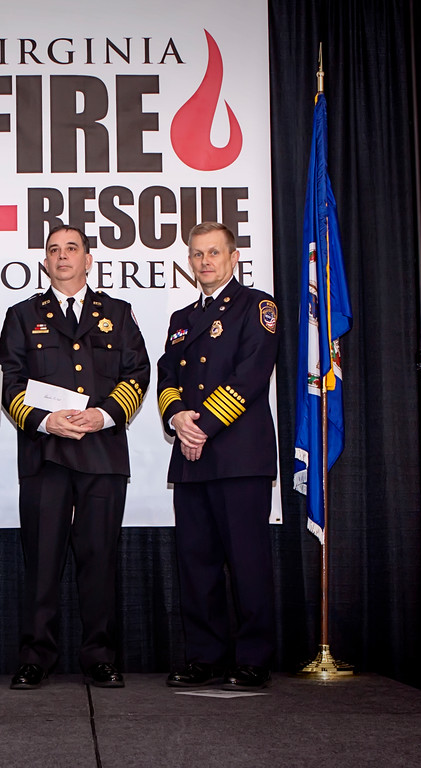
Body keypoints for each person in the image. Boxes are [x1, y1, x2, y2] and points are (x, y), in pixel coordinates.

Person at [0, 224, 150, 689]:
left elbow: (137, 373)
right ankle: (35, 657)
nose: (62, 257)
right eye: (53, 250)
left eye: (72, 249)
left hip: (102, 453)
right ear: (44, 262)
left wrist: (104, 416)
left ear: (88, 259)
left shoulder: (118, 314)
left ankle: (99, 655)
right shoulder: (22, 315)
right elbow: (8, 380)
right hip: (46, 453)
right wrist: (44, 420)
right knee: (41, 562)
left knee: (99, 560)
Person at [157, 221, 279, 690]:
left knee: (247, 561)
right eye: (196, 254)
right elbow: (168, 376)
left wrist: (201, 424)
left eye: (213, 253)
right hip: (192, 456)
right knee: (197, 563)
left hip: (239, 456)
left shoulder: (257, 307)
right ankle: (205, 657)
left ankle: (252, 658)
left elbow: (250, 376)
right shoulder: (181, 318)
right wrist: (177, 419)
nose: (205, 261)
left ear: (233, 259)